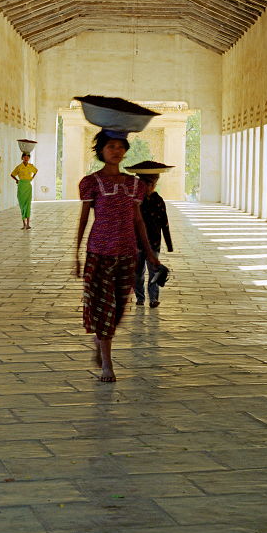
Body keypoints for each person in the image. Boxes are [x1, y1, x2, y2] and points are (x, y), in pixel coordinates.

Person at [75, 131, 162, 382]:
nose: (116, 151)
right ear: (101, 151)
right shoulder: (90, 182)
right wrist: (77, 254)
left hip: (127, 253)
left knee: (119, 308)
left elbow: (138, 221)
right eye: (111, 146)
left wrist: (149, 253)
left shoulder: (134, 185)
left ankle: (100, 341)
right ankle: (107, 363)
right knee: (103, 306)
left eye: (120, 147)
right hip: (99, 252)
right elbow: (83, 219)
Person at [135, 174, 173, 308]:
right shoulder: (136, 201)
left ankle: (153, 298)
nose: (147, 188)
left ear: (154, 185)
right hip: (137, 243)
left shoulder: (159, 200)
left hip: (154, 243)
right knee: (138, 273)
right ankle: (140, 297)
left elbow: (165, 223)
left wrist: (169, 244)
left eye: (150, 185)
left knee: (154, 272)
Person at [11, 152, 38, 229]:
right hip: (21, 185)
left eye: (27, 157)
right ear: (22, 158)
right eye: (24, 157)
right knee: (22, 204)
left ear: (29, 158)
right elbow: (12, 174)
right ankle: (24, 223)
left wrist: (32, 178)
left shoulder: (31, 166)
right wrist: (17, 180)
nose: (26, 158)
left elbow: (36, 171)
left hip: (28, 186)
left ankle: (28, 224)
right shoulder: (19, 167)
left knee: (28, 204)